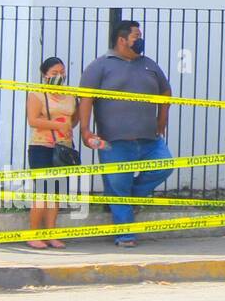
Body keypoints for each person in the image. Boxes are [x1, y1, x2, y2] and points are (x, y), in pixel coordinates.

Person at [78, 20, 174, 248]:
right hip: (114, 141)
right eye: (136, 36)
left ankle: (129, 200)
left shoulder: (149, 64)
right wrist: (85, 130)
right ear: (122, 40)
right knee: (118, 185)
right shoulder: (100, 66)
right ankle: (125, 234)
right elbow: (86, 98)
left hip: (150, 138)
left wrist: (162, 118)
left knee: (165, 165)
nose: (140, 40)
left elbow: (166, 91)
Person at [24, 58, 77, 249]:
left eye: (62, 72)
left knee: (56, 193)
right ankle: (33, 234)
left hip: (63, 148)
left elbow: (74, 118)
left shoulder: (70, 95)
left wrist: (67, 127)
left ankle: (51, 234)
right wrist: (58, 125)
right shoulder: (37, 95)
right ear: (45, 75)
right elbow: (33, 120)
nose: (60, 76)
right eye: (54, 73)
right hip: (41, 147)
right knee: (42, 193)